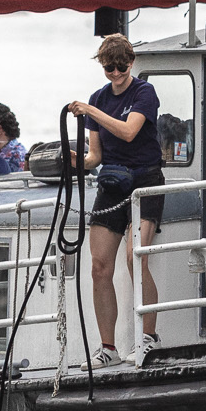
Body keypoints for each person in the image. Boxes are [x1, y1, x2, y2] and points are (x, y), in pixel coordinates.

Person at [67, 33, 164, 365]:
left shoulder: (144, 92)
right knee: (98, 267)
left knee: (134, 259)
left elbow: (128, 131)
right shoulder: (99, 97)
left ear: (131, 62)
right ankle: (108, 347)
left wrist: (91, 110)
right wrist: (72, 159)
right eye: (109, 67)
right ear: (102, 66)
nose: (116, 72)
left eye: (121, 66)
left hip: (145, 180)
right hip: (112, 182)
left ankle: (148, 337)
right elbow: (96, 156)